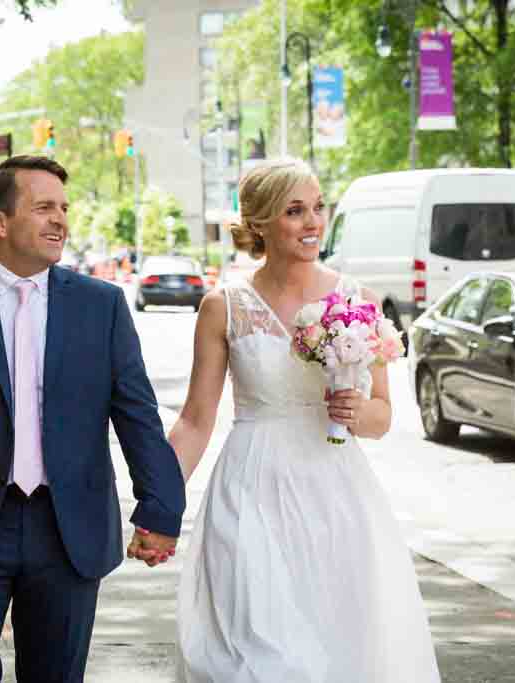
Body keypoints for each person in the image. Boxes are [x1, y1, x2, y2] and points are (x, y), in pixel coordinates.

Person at [0, 155, 186, 683]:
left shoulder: (102, 305)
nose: (60, 220)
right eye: (43, 207)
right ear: (0, 222)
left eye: (64, 208)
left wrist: (159, 507)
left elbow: (137, 415)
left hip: (68, 531)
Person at [172, 158, 440, 682]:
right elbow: (195, 421)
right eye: (295, 211)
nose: (313, 221)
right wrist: (156, 503)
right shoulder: (223, 306)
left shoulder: (357, 300)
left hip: (334, 496)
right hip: (249, 491)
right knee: (250, 652)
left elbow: (383, 417)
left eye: (318, 206)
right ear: (260, 223)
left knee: (340, 649)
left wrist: (360, 413)